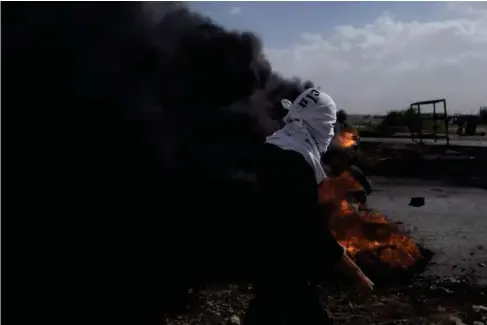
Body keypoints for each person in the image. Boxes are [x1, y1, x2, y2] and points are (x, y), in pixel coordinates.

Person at [245, 88, 374, 325]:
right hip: (287, 276)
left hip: (268, 270)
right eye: (328, 125)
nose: (330, 133)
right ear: (317, 123)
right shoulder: (294, 162)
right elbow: (310, 229)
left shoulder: (273, 148)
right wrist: (355, 273)